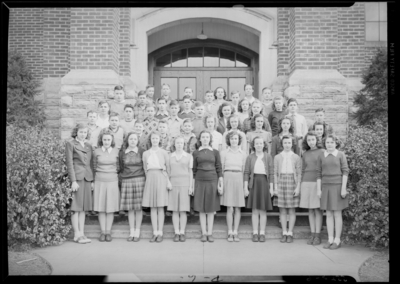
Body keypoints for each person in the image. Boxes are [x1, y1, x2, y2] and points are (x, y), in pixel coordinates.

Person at [317, 134, 349, 250]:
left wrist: (343, 188)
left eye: (331, 142)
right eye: (327, 142)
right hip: (325, 187)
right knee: (329, 214)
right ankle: (330, 239)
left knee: (337, 214)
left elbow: (345, 171)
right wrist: (318, 189)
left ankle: (337, 240)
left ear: (336, 143)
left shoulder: (340, 155)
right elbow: (319, 173)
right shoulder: (322, 155)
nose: (329, 144)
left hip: (337, 186)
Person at [192, 130, 223, 242]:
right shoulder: (196, 153)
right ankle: (203, 233)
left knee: (210, 208)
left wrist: (220, 183)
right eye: (203, 137)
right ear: (200, 139)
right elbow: (194, 170)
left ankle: (210, 233)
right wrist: (192, 185)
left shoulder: (215, 152)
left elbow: (219, 168)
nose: (205, 139)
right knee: (201, 208)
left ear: (210, 139)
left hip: (212, 180)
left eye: (207, 137)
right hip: (199, 181)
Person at [65, 124, 94, 244]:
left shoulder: (88, 145)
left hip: (87, 178)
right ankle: (76, 234)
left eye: (85, 132)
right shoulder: (70, 144)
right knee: (76, 208)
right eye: (81, 132)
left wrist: (92, 180)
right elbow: (70, 164)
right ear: (76, 132)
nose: (83, 134)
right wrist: (73, 181)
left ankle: (82, 233)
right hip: (77, 179)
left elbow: (91, 163)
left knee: (83, 208)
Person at [142, 131, 171, 243]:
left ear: (160, 140)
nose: (155, 140)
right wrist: (149, 177)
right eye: (153, 138)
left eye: (156, 138)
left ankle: (160, 232)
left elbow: (168, 168)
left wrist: (167, 180)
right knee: (153, 207)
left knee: (160, 206)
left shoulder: (164, 153)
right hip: (150, 177)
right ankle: (155, 232)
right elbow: (145, 168)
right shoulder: (145, 154)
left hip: (161, 177)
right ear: (150, 140)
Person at [244, 136, 274, 242]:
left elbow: (271, 172)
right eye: (256, 143)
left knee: (263, 210)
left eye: (260, 143)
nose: (259, 145)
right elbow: (246, 172)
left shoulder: (268, 157)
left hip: (264, 183)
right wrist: (245, 187)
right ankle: (255, 232)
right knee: (255, 210)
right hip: (254, 183)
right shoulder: (250, 157)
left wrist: (271, 187)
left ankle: (262, 233)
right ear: (253, 145)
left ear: (264, 144)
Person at [273, 135, 302, 243]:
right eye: (285, 143)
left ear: (292, 144)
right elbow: (275, 173)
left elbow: (299, 173)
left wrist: (298, 187)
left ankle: (290, 232)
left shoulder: (296, 157)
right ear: (282, 144)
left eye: (289, 143)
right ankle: (284, 232)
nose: (287, 145)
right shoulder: (277, 157)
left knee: (291, 209)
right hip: (281, 182)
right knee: (282, 209)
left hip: (292, 182)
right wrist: (275, 187)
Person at [93, 129, 120, 242]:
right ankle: (102, 232)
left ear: (112, 140)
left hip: (112, 181)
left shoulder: (116, 151)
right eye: (104, 139)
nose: (106, 141)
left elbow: (119, 167)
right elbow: (93, 166)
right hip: (100, 181)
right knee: (101, 208)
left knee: (110, 208)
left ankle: (108, 232)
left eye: (109, 139)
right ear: (101, 140)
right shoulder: (96, 151)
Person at [220, 131, 247, 242]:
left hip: (239, 178)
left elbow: (245, 170)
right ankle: (230, 231)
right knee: (229, 207)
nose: (234, 141)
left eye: (236, 139)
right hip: (227, 177)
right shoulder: (224, 153)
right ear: (228, 140)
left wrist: (245, 186)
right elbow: (221, 169)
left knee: (237, 207)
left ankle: (236, 231)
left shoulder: (243, 154)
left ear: (239, 140)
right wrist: (220, 183)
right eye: (232, 139)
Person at [119, 132, 146, 242]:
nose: (133, 141)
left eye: (135, 139)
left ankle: (137, 231)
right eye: (131, 139)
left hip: (139, 180)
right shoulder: (122, 153)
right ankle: (132, 231)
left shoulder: (142, 152)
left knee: (138, 208)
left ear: (137, 141)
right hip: (127, 180)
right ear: (127, 140)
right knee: (130, 208)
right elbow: (121, 167)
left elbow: (145, 166)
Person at [300, 131, 325, 246]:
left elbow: (324, 169)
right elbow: (302, 169)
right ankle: (312, 233)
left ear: (317, 140)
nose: (311, 142)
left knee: (317, 209)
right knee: (310, 209)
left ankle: (318, 235)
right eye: (309, 140)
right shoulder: (305, 153)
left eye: (313, 140)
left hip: (317, 182)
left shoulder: (322, 152)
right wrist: (301, 184)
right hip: (306, 182)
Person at [168, 136, 193, 242]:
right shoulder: (169, 156)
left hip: (185, 184)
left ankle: (182, 232)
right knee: (175, 210)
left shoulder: (188, 156)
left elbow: (190, 172)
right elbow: (167, 171)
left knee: (182, 210)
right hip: (173, 184)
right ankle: (176, 232)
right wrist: (168, 182)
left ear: (184, 144)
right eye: (177, 143)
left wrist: (191, 186)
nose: (179, 145)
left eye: (181, 143)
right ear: (174, 144)